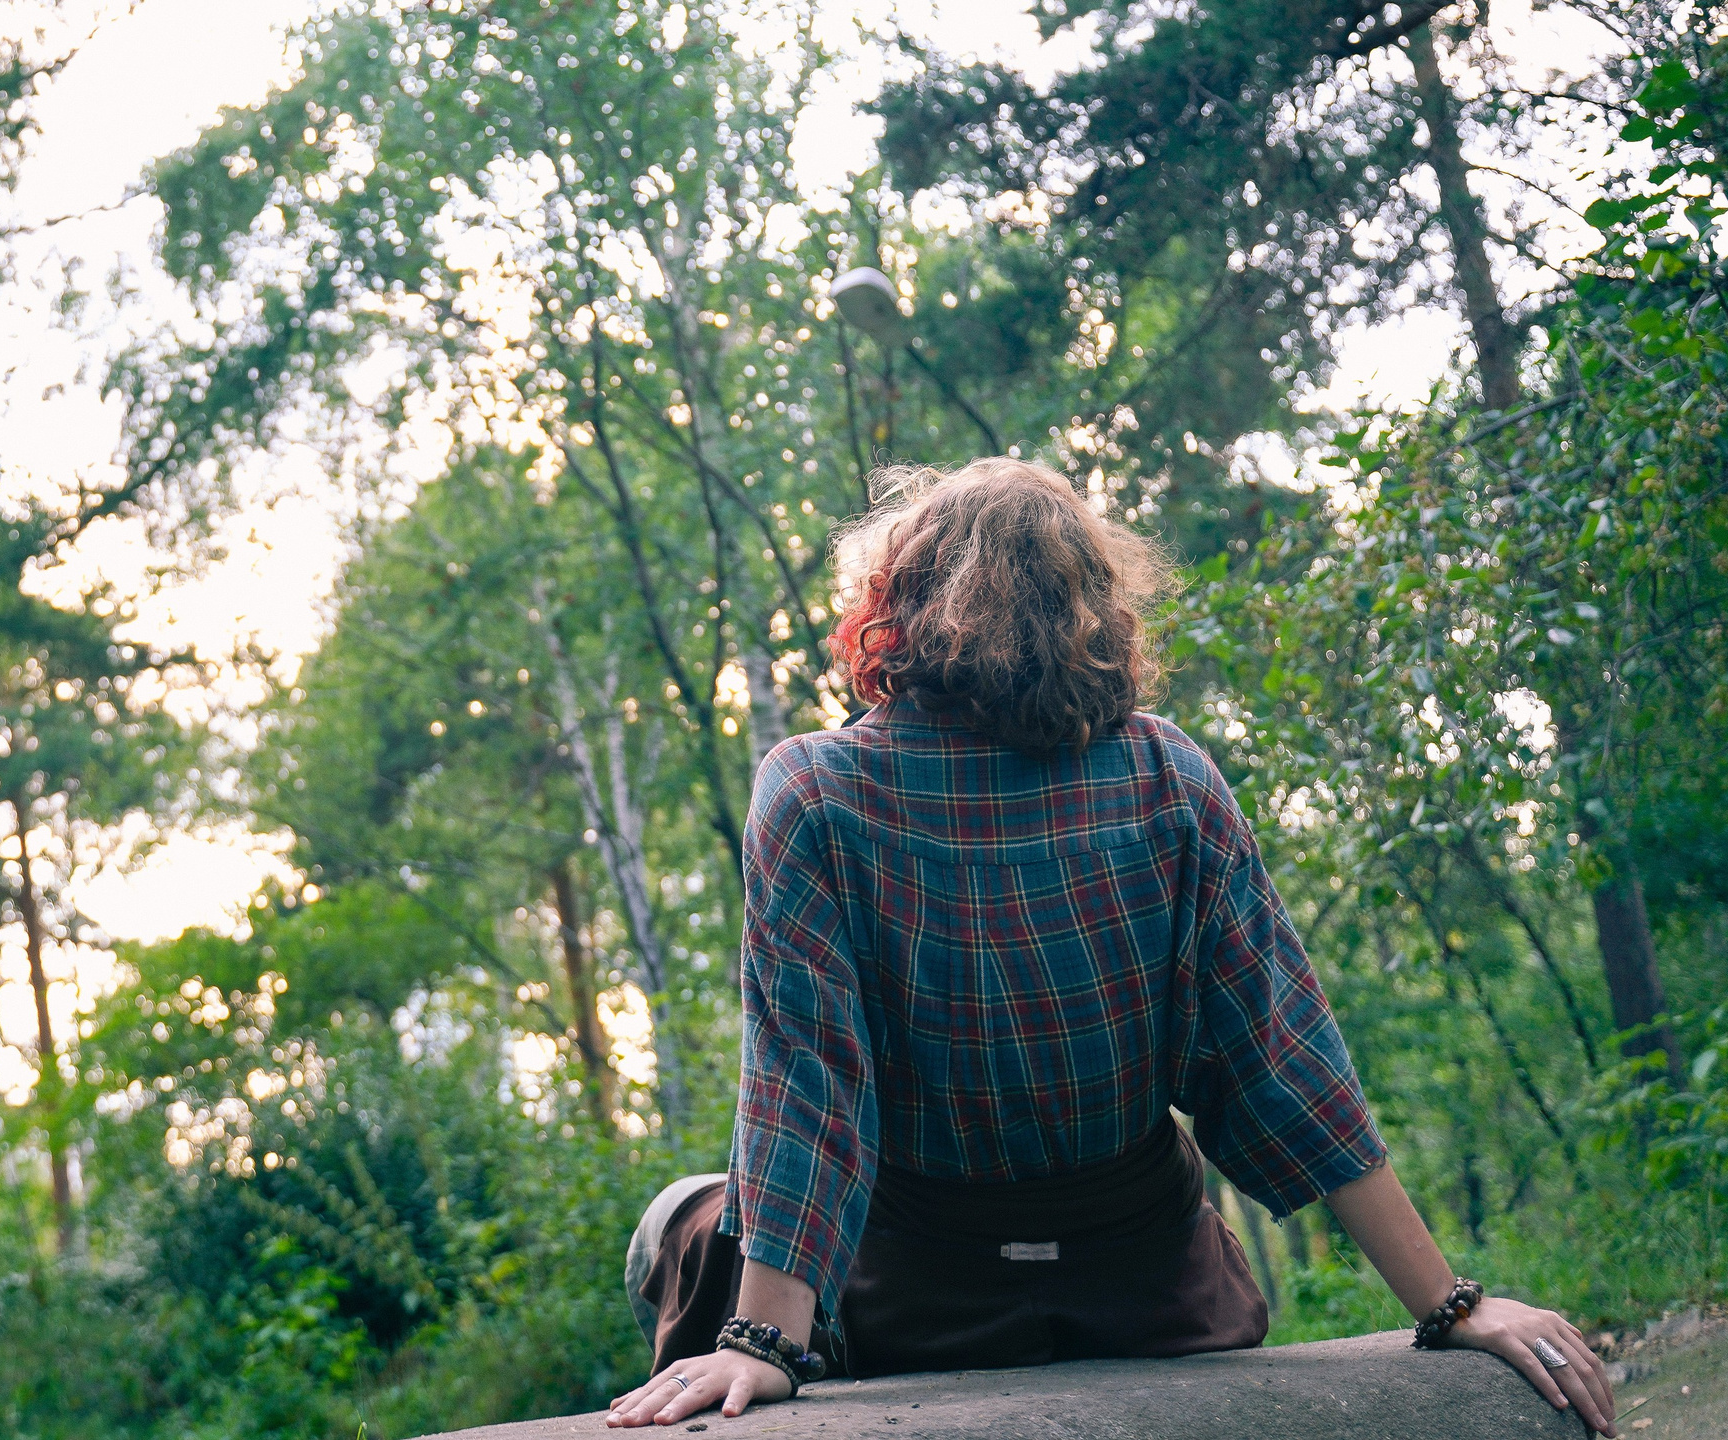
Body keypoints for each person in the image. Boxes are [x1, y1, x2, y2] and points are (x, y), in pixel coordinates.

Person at [606, 460, 1617, 1433]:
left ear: (899, 595)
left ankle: (681, 1228)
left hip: (915, 1306)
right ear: (1090, 603)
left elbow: (807, 1084)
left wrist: (761, 1345)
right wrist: (1446, 1304)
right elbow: (1282, 1061)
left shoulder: (813, 791)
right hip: (1150, 1295)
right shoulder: (1169, 774)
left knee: (688, 1216)